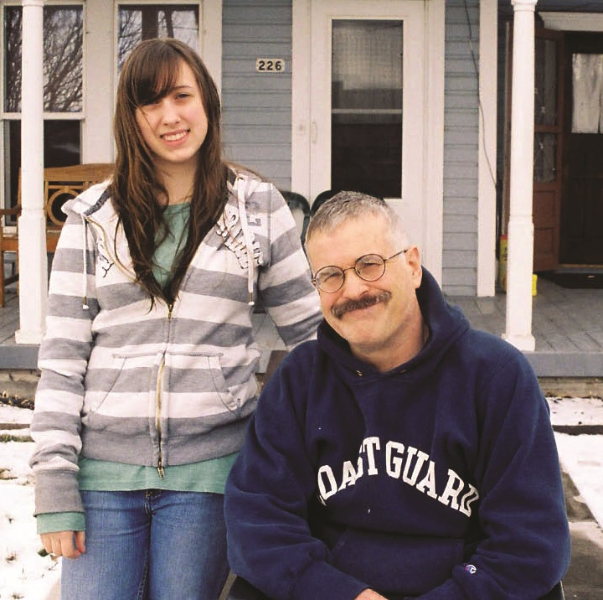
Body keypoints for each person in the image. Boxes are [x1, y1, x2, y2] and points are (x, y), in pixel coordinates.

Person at [29, 38, 321, 600]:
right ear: (131, 118)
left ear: (206, 101)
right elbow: (62, 361)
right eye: (150, 103)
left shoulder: (257, 209)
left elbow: (311, 337)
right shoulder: (90, 219)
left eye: (182, 95)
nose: (170, 116)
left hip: (211, 477)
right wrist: (55, 483)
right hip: (101, 479)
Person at [224, 191, 571, 600]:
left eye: (369, 265)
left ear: (411, 265)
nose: (353, 289)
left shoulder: (496, 378)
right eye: (331, 275)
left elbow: (530, 544)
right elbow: (259, 524)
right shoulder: (298, 382)